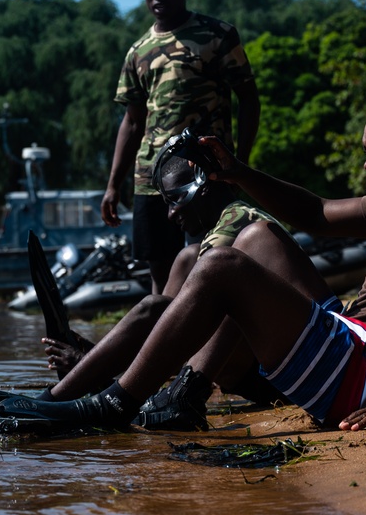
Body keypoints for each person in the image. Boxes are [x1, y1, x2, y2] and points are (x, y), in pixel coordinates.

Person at [0, 96, 366, 432]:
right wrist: (238, 172)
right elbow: (313, 213)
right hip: (351, 340)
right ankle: (69, 397)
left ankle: (113, 405)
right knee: (253, 238)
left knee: (221, 266)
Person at [42, 130, 337, 430]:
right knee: (186, 260)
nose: (171, 214)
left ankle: (51, 403)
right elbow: (166, 337)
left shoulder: (235, 224)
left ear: (204, 187)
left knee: (155, 307)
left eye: (175, 199)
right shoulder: (215, 234)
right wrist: (100, 359)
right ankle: (101, 384)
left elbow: (169, 328)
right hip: (259, 369)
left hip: (285, 377)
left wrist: (94, 362)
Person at [101, 0, 260, 295]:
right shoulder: (138, 51)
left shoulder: (218, 36)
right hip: (150, 178)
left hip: (204, 173)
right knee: (160, 270)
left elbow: (249, 98)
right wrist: (112, 185)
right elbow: (132, 122)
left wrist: (239, 163)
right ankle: (163, 338)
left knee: (207, 259)